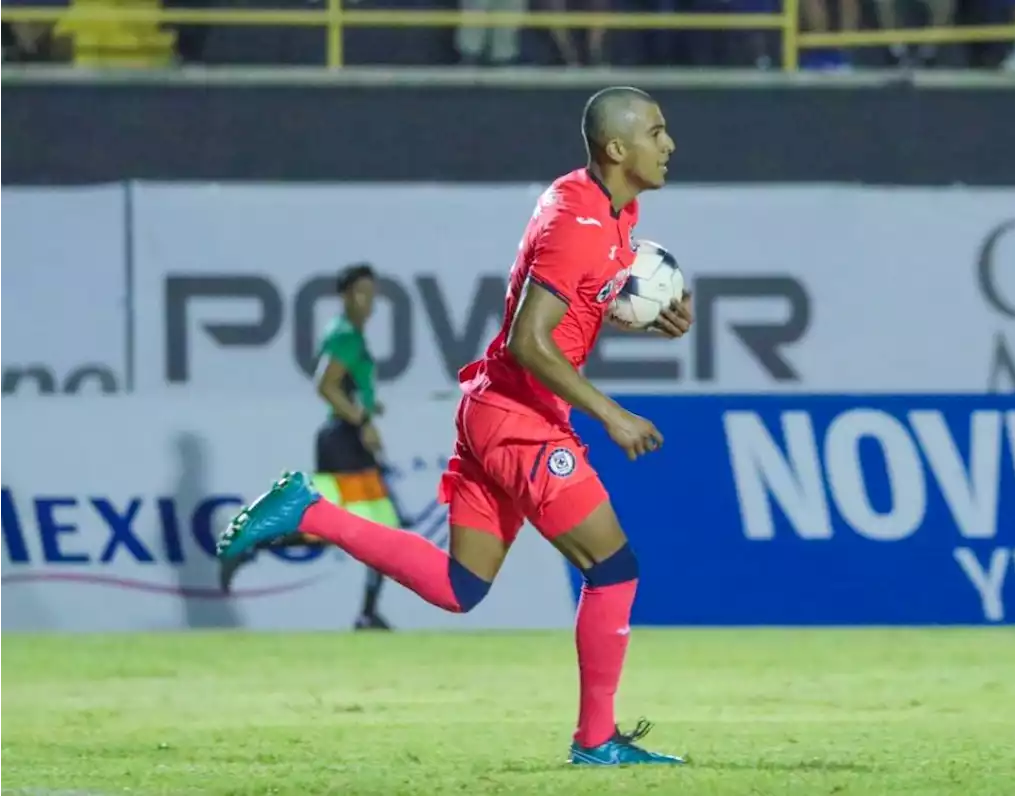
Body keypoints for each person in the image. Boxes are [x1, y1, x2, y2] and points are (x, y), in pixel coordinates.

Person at [216, 85, 691, 766]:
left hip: (493, 408)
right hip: (519, 418)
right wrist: (611, 414)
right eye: (657, 131)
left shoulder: (613, 209)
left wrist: (666, 308)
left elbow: (603, 285)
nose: (668, 143)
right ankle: (595, 741)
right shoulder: (574, 225)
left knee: (458, 587)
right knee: (613, 566)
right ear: (617, 149)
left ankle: (308, 511)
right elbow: (531, 341)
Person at [218, 263, 401, 632]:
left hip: (343, 437)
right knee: (375, 528)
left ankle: (250, 545)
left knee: (342, 529)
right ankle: (366, 613)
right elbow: (325, 385)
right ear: (346, 296)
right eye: (361, 292)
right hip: (344, 440)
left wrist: (368, 406)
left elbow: (344, 387)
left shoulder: (349, 335)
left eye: (372, 293)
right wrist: (362, 421)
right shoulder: (346, 335)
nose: (369, 301)